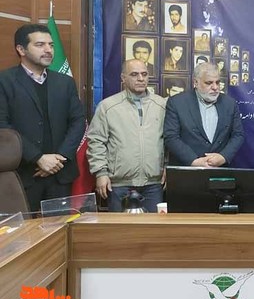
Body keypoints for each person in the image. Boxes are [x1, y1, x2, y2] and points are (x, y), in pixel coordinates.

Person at [0, 24, 85, 211]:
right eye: (40, 45)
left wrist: (60, 158)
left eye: (51, 45)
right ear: (21, 49)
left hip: (60, 174)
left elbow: (78, 121)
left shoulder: (65, 82)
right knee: (24, 228)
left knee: (61, 226)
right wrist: (37, 157)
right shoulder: (4, 81)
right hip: (23, 173)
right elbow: (3, 126)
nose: (48, 50)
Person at [87, 59, 167, 212]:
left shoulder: (161, 105)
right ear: (123, 78)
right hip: (119, 185)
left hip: (154, 184)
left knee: (154, 227)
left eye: (144, 74)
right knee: (121, 227)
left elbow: (170, 140)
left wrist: (168, 167)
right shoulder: (108, 106)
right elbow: (96, 141)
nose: (141, 78)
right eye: (134, 74)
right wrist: (101, 173)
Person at [164, 62, 245, 167]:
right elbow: (171, 137)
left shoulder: (230, 104)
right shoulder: (177, 103)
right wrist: (193, 161)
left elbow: (238, 135)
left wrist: (223, 156)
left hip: (220, 170)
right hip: (187, 170)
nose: (215, 87)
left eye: (217, 82)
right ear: (196, 82)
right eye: (209, 83)